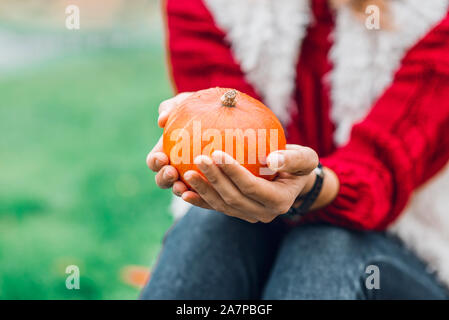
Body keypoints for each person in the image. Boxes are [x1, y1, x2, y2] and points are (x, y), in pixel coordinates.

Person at [140, 0, 449, 299]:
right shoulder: (206, 4)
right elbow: (228, 131)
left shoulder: (434, 11)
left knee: (323, 249)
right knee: (212, 230)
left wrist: (311, 187)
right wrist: (193, 124)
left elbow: (383, 166)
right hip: (255, 236)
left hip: (408, 251)